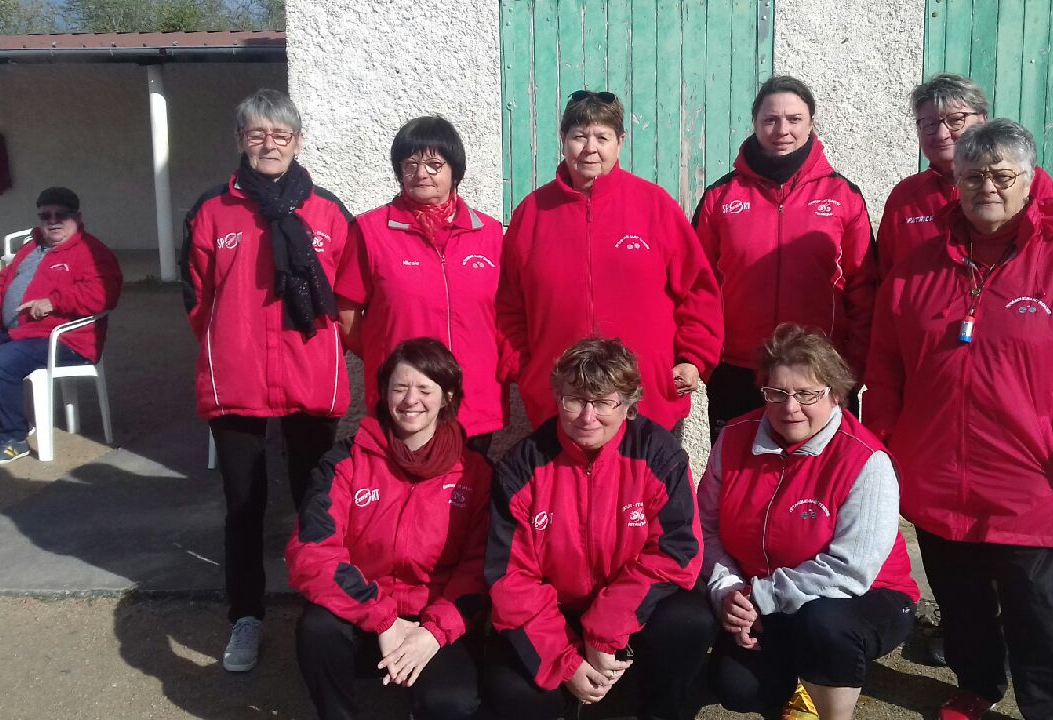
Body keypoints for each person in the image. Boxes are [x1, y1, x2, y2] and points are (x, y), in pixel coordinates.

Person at [864, 119, 1053, 720]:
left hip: (1029, 483)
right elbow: (884, 371)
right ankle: (978, 685)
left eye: (1001, 175)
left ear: (1029, 180)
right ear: (954, 184)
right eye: (972, 176)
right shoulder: (915, 269)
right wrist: (890, 452)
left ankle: (1051, 709)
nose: (987, 186)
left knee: (1041, 615)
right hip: (936, 479)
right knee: (962, 606)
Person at [181, 88, 352, 673]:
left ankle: (318, 611)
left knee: (315, 504)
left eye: (281, 135)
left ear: (299, 142)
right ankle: (246, 616)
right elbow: (196, 299)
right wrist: (230, 345)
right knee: (244, 506)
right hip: (238, 383)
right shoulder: (211, 211)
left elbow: (349, 296)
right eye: (257, 134)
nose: (269, 144)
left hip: (309, 381)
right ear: (240, 142)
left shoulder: (328, 211)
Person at [484, 337, 714, 720]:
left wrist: (606, 628)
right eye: (575, 399)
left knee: (690, 622)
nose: (587, 417)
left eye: (604, 402)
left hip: (630, 602)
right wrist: (565, 659)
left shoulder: (658, 454)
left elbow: (679, 552)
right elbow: (509, 579)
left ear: (627, 403)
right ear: (558, 398)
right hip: (553, 609)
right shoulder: (522, 466)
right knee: (515, 695)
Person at [698, 323, 919, 720]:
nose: (790, 407)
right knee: (739, 689)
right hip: (762, 594)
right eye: (777, 393)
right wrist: (727, 589)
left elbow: (851, 570)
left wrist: (760, 597)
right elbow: (707, 528)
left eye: (806, 394)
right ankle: (794, 683)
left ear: (834, 394)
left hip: (861, 598)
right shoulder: (733, 437)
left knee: (825, 627)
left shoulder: (867, 460)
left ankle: (834, 711)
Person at [288, 338, 490, 720]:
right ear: (384, 393)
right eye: (400, 387)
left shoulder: (475, 472)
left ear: (447, 396)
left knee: (452, 704)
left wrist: (432, 631)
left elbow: (480, 566)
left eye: (425, 389)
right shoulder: (345, 462)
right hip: (365, 613)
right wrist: (381, 618)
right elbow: (312, 552)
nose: (411, 399)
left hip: (435, 622)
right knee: (317, 629)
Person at [496, 90, 723, 432]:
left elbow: (698, 290)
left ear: (620, 142)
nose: (590, 148)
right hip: (562, 403)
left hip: (646, 399)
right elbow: (508, 304)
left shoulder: (655, 206)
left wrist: (693, 358)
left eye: (602, 137)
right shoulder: (533, 213)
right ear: (563, 141)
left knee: (648, 486)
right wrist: (524, 368)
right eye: (579, 137)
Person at [694, 76, 876, 440]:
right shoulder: (720, 197)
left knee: (819, 484)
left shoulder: (843, 196)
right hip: (739, 371)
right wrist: (705, 362)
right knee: (738, 479)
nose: (782, 130)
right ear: (755, 124)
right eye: (770, 120)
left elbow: (865, 288)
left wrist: (850, 369)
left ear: (811, 123)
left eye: (794, 119)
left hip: (818, 373)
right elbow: (697, 286)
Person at [336, 116, 504, 453]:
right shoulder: (371, 232)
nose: (421, 173)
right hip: (407, 402)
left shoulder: (489, 235)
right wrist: (387, 357)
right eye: (410, 164)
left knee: (469, 498)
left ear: (455, 170)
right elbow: (347, 314)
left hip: (474, 397)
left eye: (433, 164)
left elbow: (508, 311)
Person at [0, 186, 122, 465]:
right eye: (46, 216)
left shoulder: (92, 252)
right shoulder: (30, 249)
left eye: (61, 215)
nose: (52, 221)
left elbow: (105, 293)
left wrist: (54, 302)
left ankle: (12, 437)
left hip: (64, 339)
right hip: (16, 334)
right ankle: (15, 422)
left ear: (76, 217)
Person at [877, 73, 1053, 277]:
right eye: (929, 124)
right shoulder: (906, 196)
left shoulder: (1026, 181)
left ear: (983, 120)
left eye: (955, 120)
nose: (941, 134)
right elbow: (885, 275)